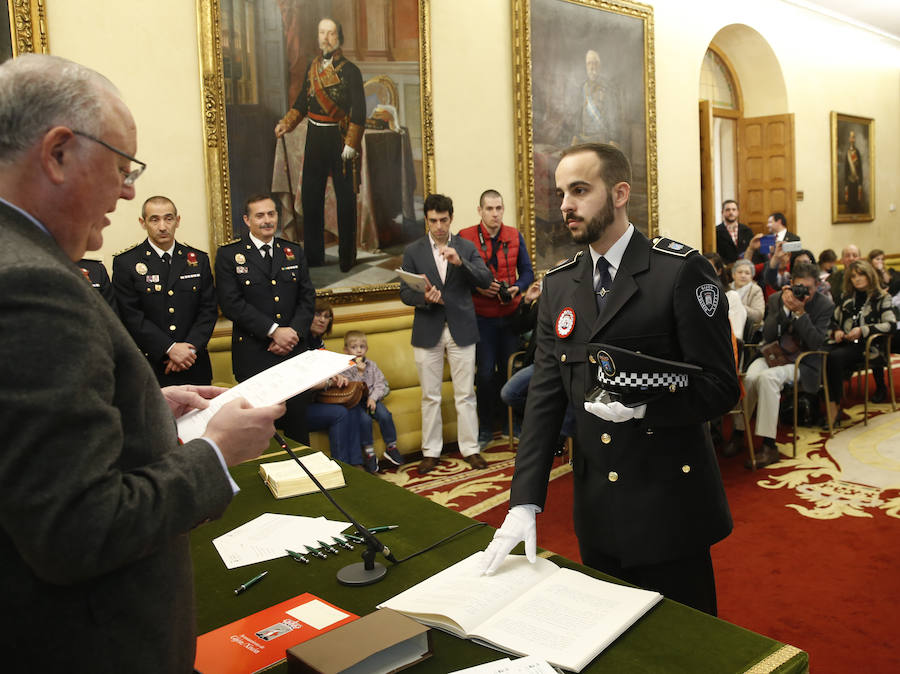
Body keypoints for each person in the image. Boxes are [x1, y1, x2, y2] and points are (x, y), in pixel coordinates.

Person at [0, 54, 284, 672]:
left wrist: (144, 405)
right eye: (122, 168)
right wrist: (216, 452)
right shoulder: (32, 286)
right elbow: (78, 527)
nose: (128, 191)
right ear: (57, 153)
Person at [480, 143, 739, 616]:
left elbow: (721, 385)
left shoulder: (678, 272)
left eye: (580, 190)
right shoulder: (560, 284)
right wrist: (524, 501)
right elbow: (544, 401)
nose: (566, 205)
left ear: (620, 193)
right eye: (561, 193)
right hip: (598, 509)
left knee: (684, 655)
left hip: (669, 508)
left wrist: (645, 408)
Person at [399, 193, 493, 474]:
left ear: (451, 218)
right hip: (428, 328)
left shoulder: (465, 246)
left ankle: (470, 449)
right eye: (433, 221)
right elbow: (404, 292)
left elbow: (486, 280)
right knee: (430, 395)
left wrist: (461, 262)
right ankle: (431, 452)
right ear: (426, 220)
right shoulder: (413, 251)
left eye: (443, 220)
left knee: (466, 394)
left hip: (462, 328)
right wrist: (424, 297)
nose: (438, 226)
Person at [216, 193, 316, 443]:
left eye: (271, 214)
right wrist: (274, 331)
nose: (267, 220)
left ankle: (303, 478)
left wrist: (292, 333)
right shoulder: (230, 256)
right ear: (247, 220)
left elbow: (307, 298)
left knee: (297, 424)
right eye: (260, 215)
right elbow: (231, 304)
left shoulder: (292, 251)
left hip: (293, 353)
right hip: (255, 354)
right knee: (259, 429)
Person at [274, 18, 365, 272]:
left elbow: (359, 110)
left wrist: (352, 143)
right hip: (314, 136)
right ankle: (314, 256)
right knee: (312, 198)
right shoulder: (312, 67)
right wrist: (287, 123)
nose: (326, 38)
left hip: (339, 138)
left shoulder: (351, 71)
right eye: (322, 33)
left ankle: (348, 257)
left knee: (346, 198)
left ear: (340, 37)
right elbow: (303, 101)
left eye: (331, 33)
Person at [726, 262, 833, 467]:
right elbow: (767, 335)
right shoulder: (777, 299)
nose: (804, 293)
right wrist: (784, 309)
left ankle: (769, 445)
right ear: (791, 284)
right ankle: (740, 432)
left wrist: (800, 313)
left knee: (768, 379)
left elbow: (816, 342)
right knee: (749, 377)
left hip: (803, 361)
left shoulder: (823, 305)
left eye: (809, 289)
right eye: (799, 287)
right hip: (773, 354)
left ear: (817, 286)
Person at [113, 195, 218, 385]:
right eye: (154, 219)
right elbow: (131, 316)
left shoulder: (197, 260)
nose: (162, 226)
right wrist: (169, 348)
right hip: (152, 366)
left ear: (177, 221)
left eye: (168, 218)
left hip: (195, 364)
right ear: (142, 223)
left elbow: (208, 310)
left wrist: (189, 350)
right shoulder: (126, 263)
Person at [458, 190, 534, 448]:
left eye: (499, 208)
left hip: (510, 314)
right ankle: (486, 429)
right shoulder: (465, 237)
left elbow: (527, 272)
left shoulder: (514, 235)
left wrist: (517, 288)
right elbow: (455, 279)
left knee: (511, 372)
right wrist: (478, 288)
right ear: (479, 210)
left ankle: (514, 426)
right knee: (486, 375)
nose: (495, 214)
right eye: (489, 209)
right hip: (481, 318)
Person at [825, 260, 894, 420]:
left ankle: (834, 408)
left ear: (869, 275)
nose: (857, 279)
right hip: (845, 343)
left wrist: (863, 330)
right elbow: (831, 320)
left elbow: (890, 325)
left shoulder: (882, 297)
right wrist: (837, 331)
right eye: (853, 276)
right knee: (822, 354)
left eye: (861, 274)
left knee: (834, 358)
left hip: (867, 345)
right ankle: (825, 403)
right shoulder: (846, 297)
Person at [305, 300, 370, 469]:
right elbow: (303, 383)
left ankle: (356, 464)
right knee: (340, 412)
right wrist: (328, 382)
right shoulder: (299, 343)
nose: (322, 320)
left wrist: (337, 376)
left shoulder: (318, 343)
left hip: (316, 401)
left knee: (353, 405)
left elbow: (326, 371)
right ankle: (342, 467)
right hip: (297, 408)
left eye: (327, 316)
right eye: (318, 314)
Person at [343, 329, 404, 469]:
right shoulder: (346, 368)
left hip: (372, 399)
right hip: (356, 402)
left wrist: (373, 398)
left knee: (385, 415)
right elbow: (351, 388)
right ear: (346, 350)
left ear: (367, 348)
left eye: (362, 347)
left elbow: (380, 384)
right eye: (354, 347)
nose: (358, 350)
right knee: (364, 420)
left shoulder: (372, 365)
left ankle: (391, 446)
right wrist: (359, 373)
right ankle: (369, 453)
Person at [730, 258, 764, 336]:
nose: (743, 275)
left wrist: (738, 305)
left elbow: (758, 316)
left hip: (749, 330)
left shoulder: (756, 290)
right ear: (733, 275)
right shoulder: (727, 289)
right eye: (740, 272)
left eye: (747, 273)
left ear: (752, 276)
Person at [715, 199, 754, 264]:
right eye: (728, 210)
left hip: (744, 266)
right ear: (722, 212)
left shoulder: (747, 230)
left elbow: (752, 249)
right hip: (725, 268)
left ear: (738, 212)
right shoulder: (716, 231)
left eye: (734, 209)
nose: (731, 212)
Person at [843, 130, 863, 213]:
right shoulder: (847, 153)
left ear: (854, 139)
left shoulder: (857, 152)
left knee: (857, 204)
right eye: (851, 137)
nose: (852, 139)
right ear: (849, 139)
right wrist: (845, 184)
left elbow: (860, 168)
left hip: (856, 182)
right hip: (849, 182)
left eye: (853, 137)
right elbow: (846, 169)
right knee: (850, 205)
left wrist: (860, 183)